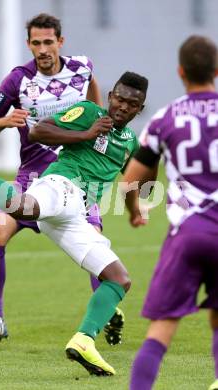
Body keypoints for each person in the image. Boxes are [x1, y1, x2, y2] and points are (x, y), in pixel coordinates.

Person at [0, 71, 148, 376]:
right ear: (111, 95)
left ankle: (84, 342)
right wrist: (85, 134)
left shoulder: (129, 141)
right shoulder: (90, 113)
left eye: (131, 104)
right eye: (118, 97)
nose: (121, 106)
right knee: (22, 208)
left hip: (76, 214)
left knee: (119, 279)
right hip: (62, 184)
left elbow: (131, 181)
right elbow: (39, 132)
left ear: (139, 109)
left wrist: (134, 209)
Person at [0, 12, 123, 350]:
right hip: (32, 178)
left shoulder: (82, 69)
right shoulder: (18, 81)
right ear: (29, 44)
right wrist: (5, 121)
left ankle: (106, 314)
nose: (42, 49)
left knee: (94, 242)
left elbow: (97, 110)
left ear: (61, 41)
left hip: (77, 178)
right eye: (36, 43)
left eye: (48, 42)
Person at [122, 36, 218, 390]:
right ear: (217, 70)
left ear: (180, 72)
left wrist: (137, 208)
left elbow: (131, 180)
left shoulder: (165, 118)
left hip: (188, 235)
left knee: (161, 327)